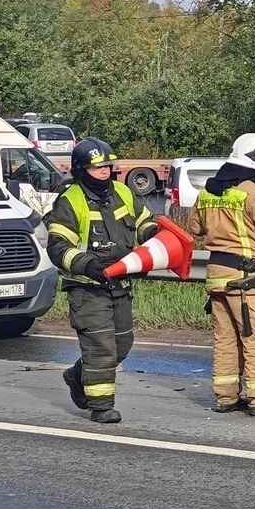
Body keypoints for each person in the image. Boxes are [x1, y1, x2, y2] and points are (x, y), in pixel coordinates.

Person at [48, 138, 158, 424]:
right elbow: (58, 246)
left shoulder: (123, 192)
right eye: (97, 168)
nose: (104, 172)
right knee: (101, 348)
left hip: (121, 284)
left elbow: (145, 222)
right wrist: (88, 265)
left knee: (122, 345)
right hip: (87, 288)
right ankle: (101, 405)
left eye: (108, 166)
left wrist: (154, 236)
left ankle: (77, 375)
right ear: (80, 170)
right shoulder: (69, 201)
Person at [188, 133, 255, 415]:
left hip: (217, 277)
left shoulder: (209, 191)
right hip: (248, 279)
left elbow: (195, 227)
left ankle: (226, 398)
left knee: (226, 340)